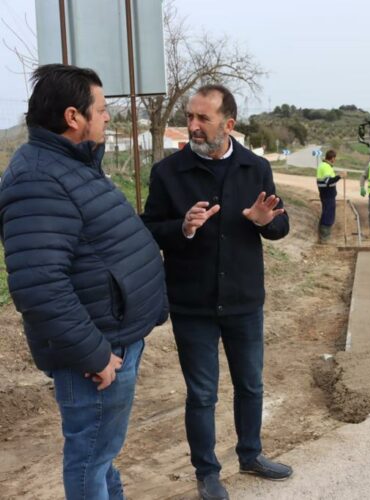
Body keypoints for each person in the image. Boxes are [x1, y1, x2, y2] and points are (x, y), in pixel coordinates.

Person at [0, 64, 168, 499]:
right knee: (90, 457)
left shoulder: (69, 164)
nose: (108, 117)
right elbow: (39, 286)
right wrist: (95, 354)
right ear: (74, 117)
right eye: (101, 108)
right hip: (94, 355)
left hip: (109, 340)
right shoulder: (38, 178)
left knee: (101, 454)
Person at [141, 84, 292, 500]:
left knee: (251, 385)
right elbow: (149, 228)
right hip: (192, 305)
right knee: (203, 393)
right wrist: (183, 227)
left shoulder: (254, 168)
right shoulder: (167, 174)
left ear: (228, 124)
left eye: (202, 119)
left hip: (244, 302)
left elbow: (281, 227)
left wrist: (264, 221)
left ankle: (251, 455)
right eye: (190, 117)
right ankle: (207, 472)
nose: (192, 126)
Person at [316, 149, 343, 243]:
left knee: (327, 213)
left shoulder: (324, 166)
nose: (335, 160)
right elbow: (328, 181)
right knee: (328, 215)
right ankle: (324, 238)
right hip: (327, 194)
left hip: (326, 194)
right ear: (332, 158)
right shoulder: (326, 167)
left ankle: (324, 237)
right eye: (335, 158)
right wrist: (339, 176)